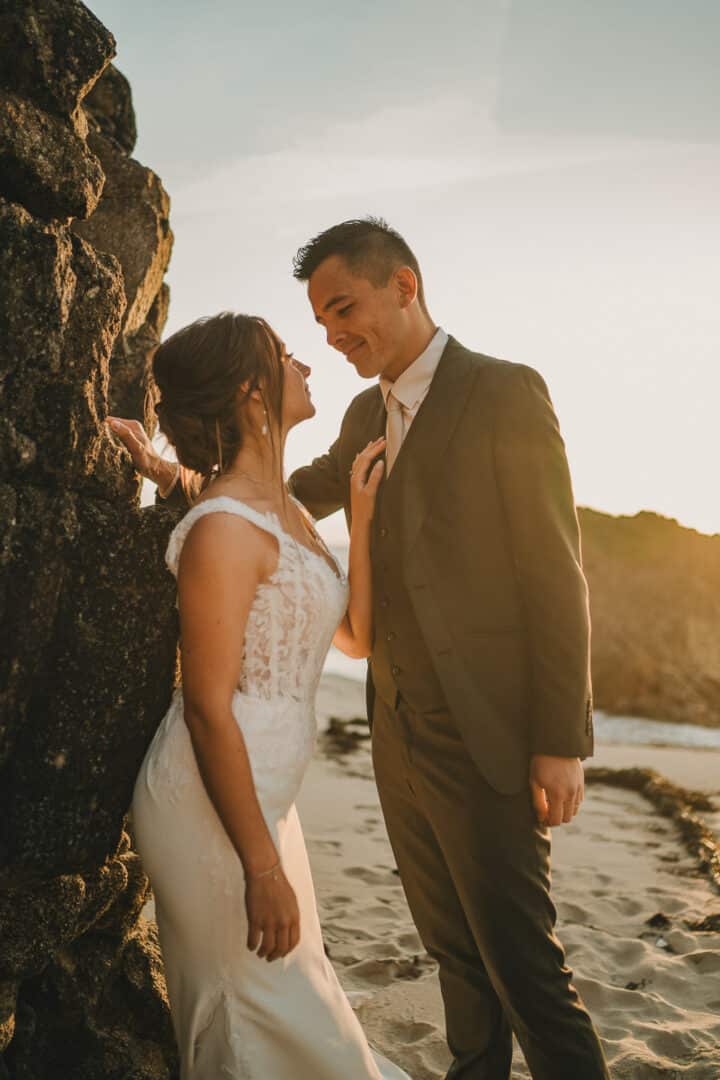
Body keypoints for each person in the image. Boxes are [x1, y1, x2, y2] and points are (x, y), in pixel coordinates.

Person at [112, 217, 610, 1079]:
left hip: (490, 734)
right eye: (319, 324)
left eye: (345, 310)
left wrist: (561, 738)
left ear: (404, 287)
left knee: (528, 969)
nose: (334, 338)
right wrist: (165, 473)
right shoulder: (358, 414)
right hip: (396, 741)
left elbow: (554, 573)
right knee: (456, 961)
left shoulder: (504, 392)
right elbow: (263, 503)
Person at [126, 311, 410, 1079]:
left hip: (265, 798)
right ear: (253, 393)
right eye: (287, 356)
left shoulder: (282, 510)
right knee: (253, 1006)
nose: (307, 366)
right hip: (210, 799)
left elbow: (353, 635)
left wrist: (364, 511)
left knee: (290, 998)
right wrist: (260, 869)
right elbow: (206, 706)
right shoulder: (221, 528)